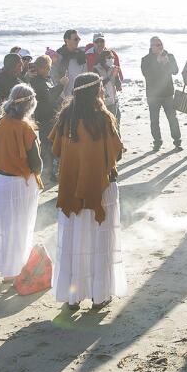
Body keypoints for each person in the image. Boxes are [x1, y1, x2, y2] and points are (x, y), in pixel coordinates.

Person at [51, 72, 126, 309]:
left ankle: (72, 297)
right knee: (99, 242)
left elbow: (55, 149)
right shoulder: (103, 117)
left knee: (75, 241)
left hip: (71, 186)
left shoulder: (66, 116)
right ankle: (98, 295)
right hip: (99, 187)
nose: (104, 91)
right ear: (95, 91)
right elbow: (117, 152)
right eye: (101, 88)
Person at [0, 84, 43, 290]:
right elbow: (37, 165)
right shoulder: (26, 129)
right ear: (30, 105)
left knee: (4, 225)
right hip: (20, 183)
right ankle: (17, 268)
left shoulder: (2, 122)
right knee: (20, 227)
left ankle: (7, 271)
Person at [141, 37, 182, 152]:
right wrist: (158, 63)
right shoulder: (145, 59)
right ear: (151, 47)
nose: (160, 46)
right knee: (154, 120)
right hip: (153, 95)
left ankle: (177, 141)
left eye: (161, 44)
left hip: (168, 93)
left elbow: (175, 71)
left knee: (172, 118)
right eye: (157, 45)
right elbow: (147, 74)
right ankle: (157, 142)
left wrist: (166, 63)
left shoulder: (170, 56)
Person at [25, 55, 58, 185]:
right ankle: (48, 173)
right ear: (41, 68)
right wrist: (61, 84)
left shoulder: (44, 79)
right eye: (47, 68)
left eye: (49, 68)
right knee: (47, 145)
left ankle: (50, 172)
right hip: (45, 117)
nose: (49, 70)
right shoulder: (38, 81)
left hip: (49, 116)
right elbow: (50, 97)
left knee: (49, 144)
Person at [52, 29, 87, 102]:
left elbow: (85, 75)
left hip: (80, 96)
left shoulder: (81, 55)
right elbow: (54, 77)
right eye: (75, 39)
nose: (78, 41)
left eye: (79, 39)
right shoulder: (58, 56)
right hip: (63, 98)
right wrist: (61, 96)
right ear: (66, 40)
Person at [94, 48, 123, 125]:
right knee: (106, 124)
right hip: (103, 102)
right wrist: (111, 76)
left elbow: (117, 82)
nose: (111, 59)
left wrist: (119, 85)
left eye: (112, 57)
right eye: (109, 58)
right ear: (103, 59)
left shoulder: (113, 68)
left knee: (116, 123)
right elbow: (98, 85)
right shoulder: (96, 69)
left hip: (114, 100)